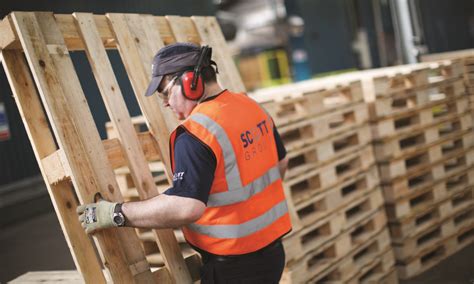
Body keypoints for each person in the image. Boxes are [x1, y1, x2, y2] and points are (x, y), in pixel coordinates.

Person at [77, 42, 292, 283]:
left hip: (232, 268)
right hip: (273, 255)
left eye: (165, 92)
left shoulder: (196, 134)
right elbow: (281, 164)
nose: (166, 103)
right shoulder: (251, 107)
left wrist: (115, 212)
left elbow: (185, 207)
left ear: (190, 81)